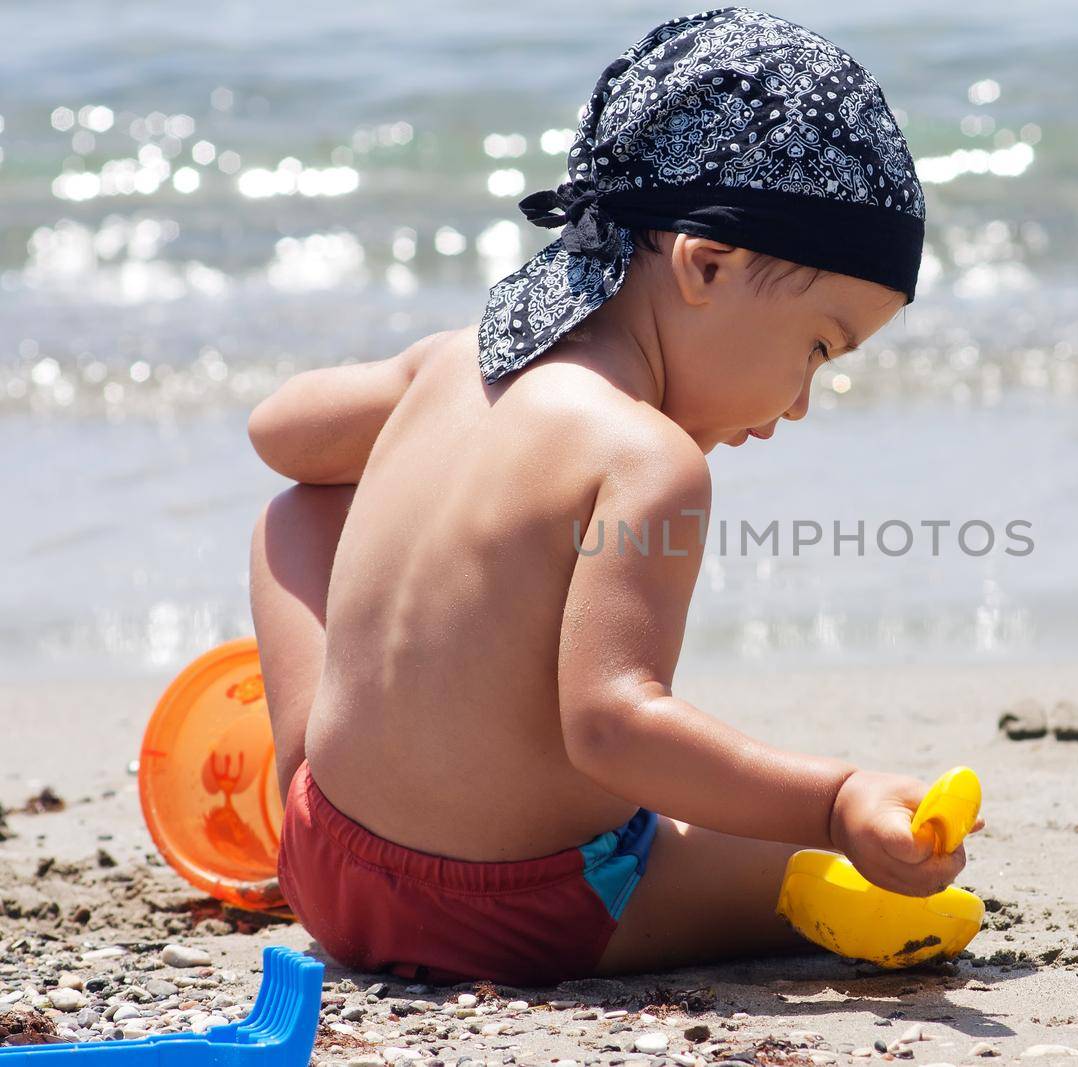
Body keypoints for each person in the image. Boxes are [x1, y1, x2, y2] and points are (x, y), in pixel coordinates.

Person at [246, 6, 973, 985]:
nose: (801, 402)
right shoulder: (650, 458)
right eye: (817, 347)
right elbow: (611, 725)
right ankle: (806, 888)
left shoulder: (449, 362)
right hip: (506, 912)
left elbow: (280, 437)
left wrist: (441, 411)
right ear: (704, 263)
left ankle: (304, 768)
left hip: (323, 859)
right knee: (835, 867)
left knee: (297, 514)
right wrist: (837, 798)